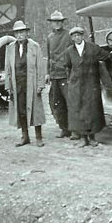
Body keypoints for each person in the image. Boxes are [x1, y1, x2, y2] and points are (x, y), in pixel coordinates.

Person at [64, 25, 109, 147]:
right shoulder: (69, 51)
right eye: (74, 36)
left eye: (79, 35)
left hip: (91, 84)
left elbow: (105, 55)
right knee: (79, 110)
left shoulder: (93, 48)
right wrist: (71, 80)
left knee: (92, 110)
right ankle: (83, 138)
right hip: (76, 86)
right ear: (72, 38)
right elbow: (67, 66)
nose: (77, 37)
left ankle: (92, 137)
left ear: (82, 36)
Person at [4, 20, 45, 147]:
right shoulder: (10, 48)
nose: (19, 35)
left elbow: (40, 67)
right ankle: (25, 136)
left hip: (31, 83)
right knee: (21, 110)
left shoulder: (35, 46)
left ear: (27, 33)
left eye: (22, 32)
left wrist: (40, 84)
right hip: (18, 84)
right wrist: (8, 85)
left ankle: (38, 137)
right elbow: (8, 68)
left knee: (35, 110)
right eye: (17, 32)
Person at [45, 10, 73, 138]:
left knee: (70, 102)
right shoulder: (49, 37)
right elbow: (49, 56)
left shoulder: (69, 35)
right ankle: (64, 128)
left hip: (66, 74)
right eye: (54, 22)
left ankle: (74, 129)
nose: (57, 24)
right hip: (54, 74)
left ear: (62, 22)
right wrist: (47, 73)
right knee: (57, 103)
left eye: (59, 21)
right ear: (51, 23)